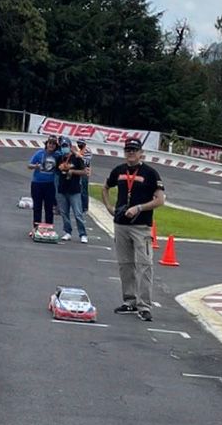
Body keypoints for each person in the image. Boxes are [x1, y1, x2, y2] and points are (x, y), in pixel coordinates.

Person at [101, 137, 165, 321]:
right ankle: (129, 301)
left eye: (134, 150)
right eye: (128, 149)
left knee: (145, 265)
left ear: (141, 153)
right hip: (121, 225)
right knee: (125, 265)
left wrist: (139, 207)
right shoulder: (119, 171)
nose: (130, 152)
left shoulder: (150, 173)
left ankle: (144, 306)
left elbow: (160, 200)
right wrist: (108, 207)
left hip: (141, 226)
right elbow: (105, 188)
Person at [56, 139, 88, 242]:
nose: (64, 148)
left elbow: (84, 172)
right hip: (62, 188)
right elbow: (57, 171)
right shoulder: (59, 158)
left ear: (70, 146)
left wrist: (72, 171)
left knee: (78, 213)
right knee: (64, 213)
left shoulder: (76, 158)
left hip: (74, 189)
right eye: (62, 146)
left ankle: (83, 234)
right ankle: (67, 231)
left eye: (66, 145)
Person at [27, 133, 60, 234]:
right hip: (37, 183)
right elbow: (29, 165)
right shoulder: (39, 153)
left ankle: (48, 228)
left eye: (53, 144)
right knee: (37, 206)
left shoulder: (57, 155)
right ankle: (36, 228)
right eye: (50, 143)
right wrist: (35, 166)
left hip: (50, 184)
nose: (51, 145)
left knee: (49, 207)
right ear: (47, 144)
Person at [76, 140, 92, 214]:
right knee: (79, 189)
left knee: (84, 190)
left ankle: (85, 207)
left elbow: (84, 161)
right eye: (78, 144)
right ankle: (80, 205)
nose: (79, 145)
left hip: (85, 172)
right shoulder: (80, 150)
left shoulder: (87, 150)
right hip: (80, 172)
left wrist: (78, 156)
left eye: (80, 144)